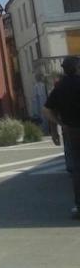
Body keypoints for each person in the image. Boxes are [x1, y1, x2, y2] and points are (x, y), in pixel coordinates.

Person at [43, 56, 80, 218]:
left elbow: (47, 110)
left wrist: (57, 127)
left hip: (71, 130)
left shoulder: (60, 87)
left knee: (77, 170)